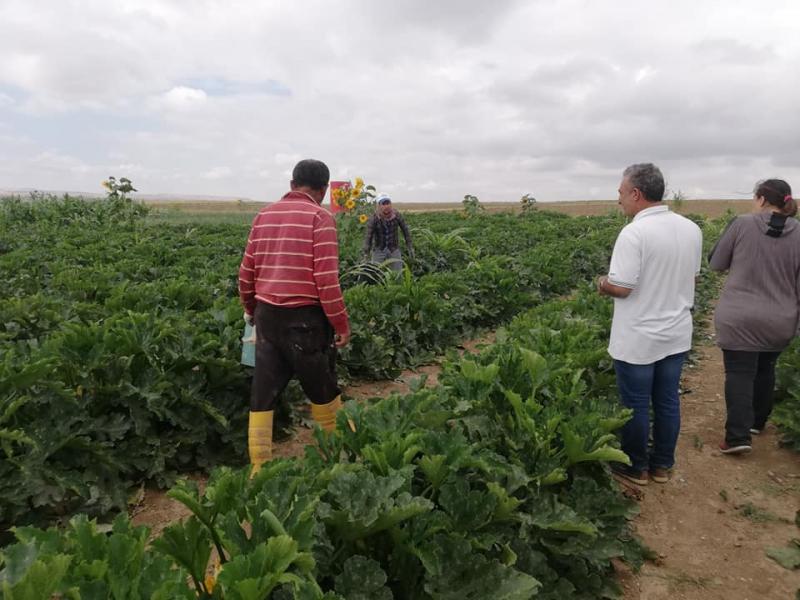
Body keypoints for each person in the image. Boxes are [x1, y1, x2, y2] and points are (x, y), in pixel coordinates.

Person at [238, 159, 351, 475]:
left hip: (268, 316)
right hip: (306, 321)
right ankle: (337, 456)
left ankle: (259, 467)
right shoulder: (320, 218)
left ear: (291, 185)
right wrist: (340, 324)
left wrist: (251, 310)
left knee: (263, 392)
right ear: (324, 189)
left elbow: (246, 273)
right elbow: (327, 281)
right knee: (322, 387)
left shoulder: (263, 216)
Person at [596, 163, 703, 486]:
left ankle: (635, 467)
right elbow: (693, 278)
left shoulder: (634, 233)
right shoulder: (690, 228)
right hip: (676, 332)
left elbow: (623, 287)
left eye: (620, 193)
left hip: (639, 337)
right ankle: (662, 466)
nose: (619, 200)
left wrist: (602, 283)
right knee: (668, 400)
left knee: (636, 404)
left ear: (636, 194)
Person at [709, 179, 800, 455]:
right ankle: (757, 423)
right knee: (765, 368)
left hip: (739, 317)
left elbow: (716, 264)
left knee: (739, 372)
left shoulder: (741, 224)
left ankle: (737, 437)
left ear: (761, 199)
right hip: (780, 319)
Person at [362, 194, 414, 271]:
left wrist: (409, 246)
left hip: (393, 248)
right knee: (375, 273)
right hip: (379, 248)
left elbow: (405, 230)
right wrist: (366, 253)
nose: (386, 206)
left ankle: (396, 283)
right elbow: (368, 236)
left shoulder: (396, 215)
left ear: (391, 204)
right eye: (383, 204)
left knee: (397, 274)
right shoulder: (374, 218)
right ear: (379, 205)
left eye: (388, 203)